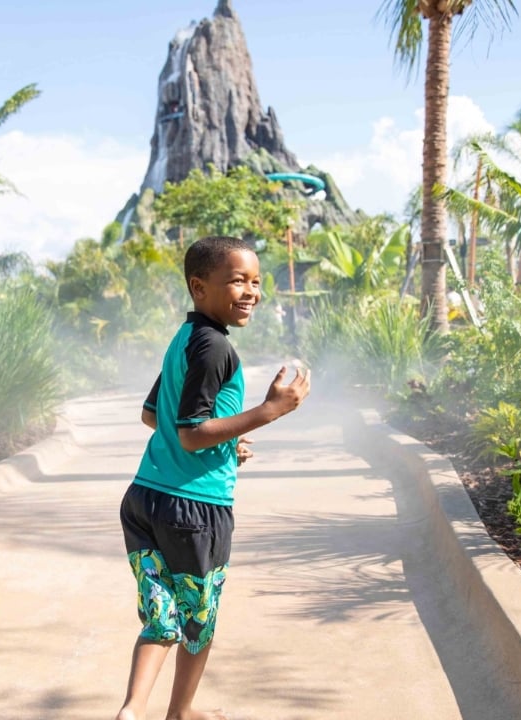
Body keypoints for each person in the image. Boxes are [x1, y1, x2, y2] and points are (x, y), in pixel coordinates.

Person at [115, 236, 311, 720]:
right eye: (237, 281)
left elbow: (152, 416)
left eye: (256, 281)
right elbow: (190, 434)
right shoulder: (215, 347)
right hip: (193, 509)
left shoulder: (184, 340)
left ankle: (132, 710)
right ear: (199, 288)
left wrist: (228, 440)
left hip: (144, 500)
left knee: (161, 618)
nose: (250, 292)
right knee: (197, 622)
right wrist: (268, 411)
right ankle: (179, 713)